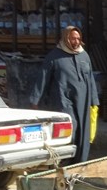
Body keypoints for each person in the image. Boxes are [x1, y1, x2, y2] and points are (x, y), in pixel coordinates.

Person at [29, 25, 99, 164]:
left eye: (78, 38)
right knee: (71, 127)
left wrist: (94, 101)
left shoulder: (84, 55)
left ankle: (80, 162)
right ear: (66, 38)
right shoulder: (54, 57)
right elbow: (43, 78)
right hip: (62, 100)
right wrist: (35, 100)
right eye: (73, 38)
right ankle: (65, 162)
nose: (76, 42)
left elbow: (90, 79)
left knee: (83, 131)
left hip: (83, 101)